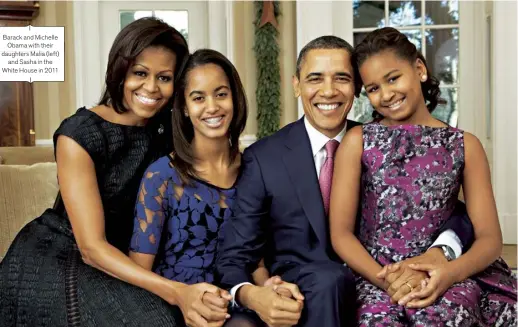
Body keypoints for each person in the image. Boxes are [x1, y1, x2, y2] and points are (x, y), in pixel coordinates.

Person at [215, 35, 475, 327]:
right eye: (315, 79)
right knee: (329, 280)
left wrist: (442, 249)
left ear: (357, 88)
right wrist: (254, 294)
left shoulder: (380, 144)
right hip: (308, 295)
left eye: (341, 78)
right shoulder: (264, 158)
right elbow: (235, 255)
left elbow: (448, 208)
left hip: (382, 282)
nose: (328, 91)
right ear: (296, 85)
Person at [0, 17, 194, 326]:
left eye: (165, 77)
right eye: (140, 73)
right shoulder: (79, 134)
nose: (151, 87)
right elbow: (91, 247)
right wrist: (176, 292)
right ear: (120, 71)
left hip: (124, 258)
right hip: (61, 256)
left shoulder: (167, 132)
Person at [329, 27, 517, 326]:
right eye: (374, 88)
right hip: (376, 274)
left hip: (444, 273)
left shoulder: (465, 145)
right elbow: (340, 234)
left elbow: (490, 239)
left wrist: (449, 274)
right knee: (376, 319)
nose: (386, 94)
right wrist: (389, 281)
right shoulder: (359, 140)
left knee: (444, 314)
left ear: (419, 69)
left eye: (393, 78)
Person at [128, 48, 273, 327]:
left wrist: (268, 287)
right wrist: (182, 298)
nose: (212, 107)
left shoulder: (255, 169)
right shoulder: (161, 176)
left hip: (238, 302)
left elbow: (257, 258)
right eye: (198, 98)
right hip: (176, 306)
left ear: (235, 98)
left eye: (221, 94)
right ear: (183, 106)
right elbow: (139, 273)